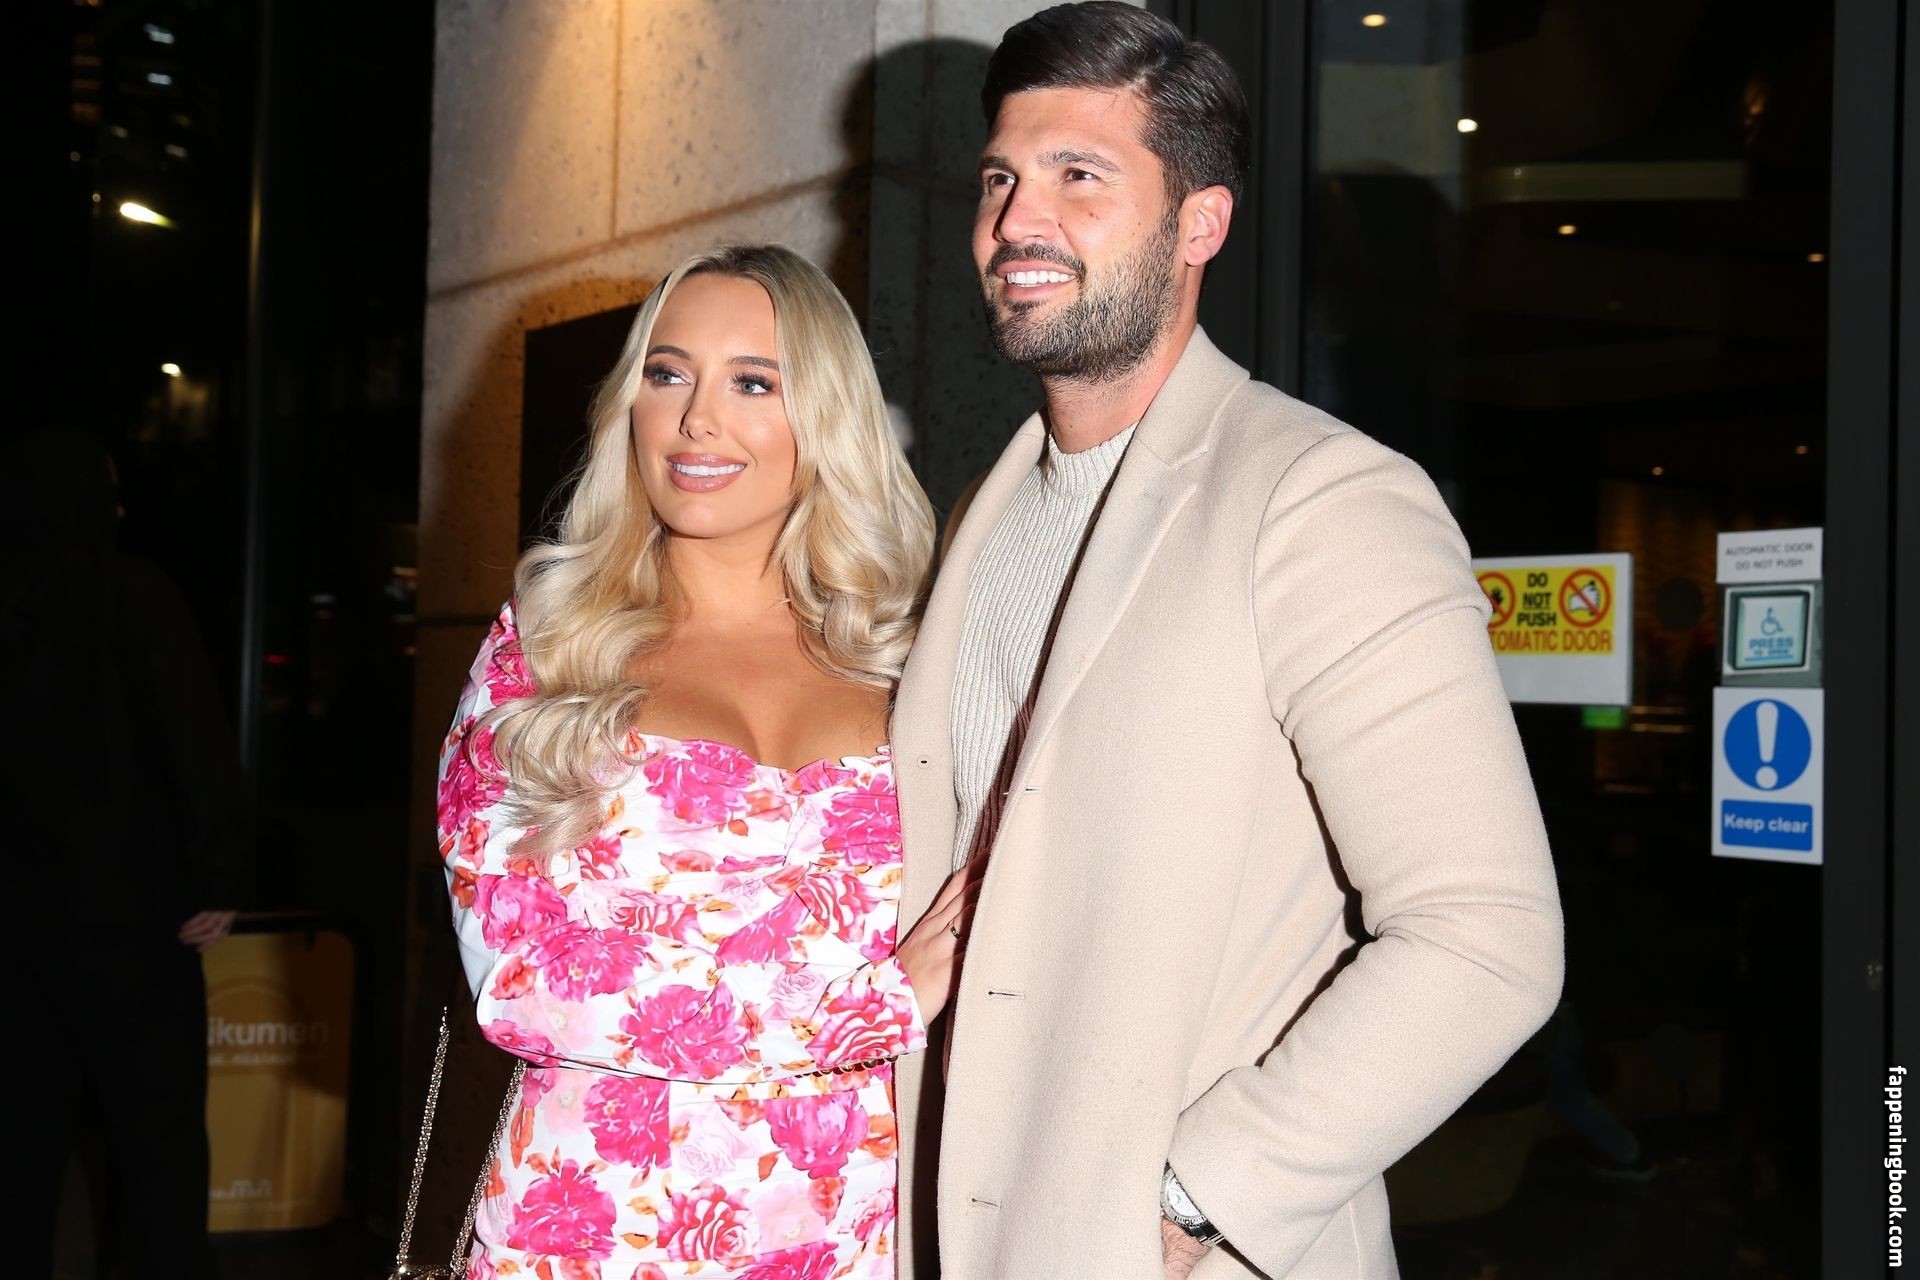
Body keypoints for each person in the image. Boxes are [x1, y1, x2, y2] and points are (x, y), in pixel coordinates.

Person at [887, 6, 1566, 1278]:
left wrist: (1199, 1197)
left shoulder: (1321, 497)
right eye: (999, 179)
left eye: (1079, 177)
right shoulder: (985, 512)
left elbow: (1486, 935)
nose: (1018, 221)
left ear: (1200, 223)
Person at [436, 244, 976, 1279]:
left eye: (753, 383)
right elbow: (518, 976)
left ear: (824, 416)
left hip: (861, 1236)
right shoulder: (545, 649)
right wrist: (870, 1004)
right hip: (592, 1236)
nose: (695, 419)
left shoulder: (916, 662)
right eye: (667, 373)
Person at [7, 428, 246, 1278]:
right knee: (158, 1139)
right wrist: (218, 872)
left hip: (13, 928)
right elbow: (195, 740)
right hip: (132, 919)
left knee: (18, 1145)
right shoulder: (134, 595)